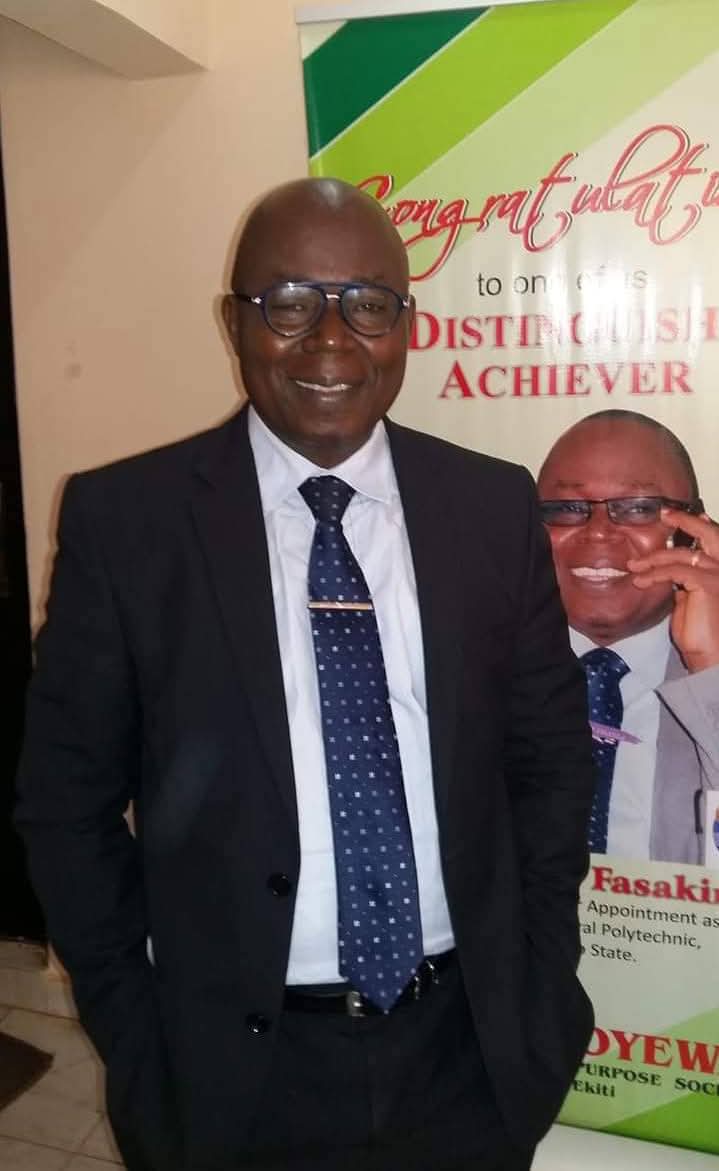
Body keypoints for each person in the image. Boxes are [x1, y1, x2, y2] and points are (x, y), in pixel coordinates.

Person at [15, 178, 593, 1171]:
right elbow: (65, 806)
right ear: (232, 321)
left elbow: (548, 764)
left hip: (467, 1050)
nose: (330, 339)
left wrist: (539, 991)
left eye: (367, 303)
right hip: (231, 1074)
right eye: (288, 302)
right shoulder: (130, 523)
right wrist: (136, 1027)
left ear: (406, 324)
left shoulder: (491, 507)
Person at [538, 409, 719, 865]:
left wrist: (712, 673)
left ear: (694, 532)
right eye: (567, 509)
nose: (598, 532)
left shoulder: (712, 673)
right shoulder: (472, 672)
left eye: (638, 508)